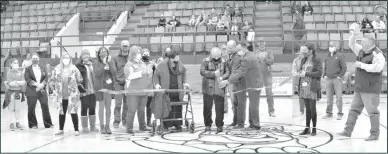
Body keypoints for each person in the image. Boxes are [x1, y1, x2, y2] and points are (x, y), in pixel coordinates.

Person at [338, 27, 386, 141]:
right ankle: (347, 131)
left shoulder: (378, 54)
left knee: (373, 112)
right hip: (359, 88)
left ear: (370, 43)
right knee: (353, 110)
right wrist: (354, 35)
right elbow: (351, 44)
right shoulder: (361, 50)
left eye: (363, 41)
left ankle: (374, 134)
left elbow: (378, 68)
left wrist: (361, 65)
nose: (361, 42)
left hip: (371, 89)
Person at [220, 43, 263, 130]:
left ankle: (256, 125)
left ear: (244, 48)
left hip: (254, 84)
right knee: (252, 105)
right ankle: (252, 124)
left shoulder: (247, 58)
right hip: (253, 83)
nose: (238, 52)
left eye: (239, 50)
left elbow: (240, 72)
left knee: (254, 106)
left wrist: (228, 81)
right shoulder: (250, 55)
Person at [153, 50, 189, 132]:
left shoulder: (179, 64)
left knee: (177, 108)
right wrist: (157, 84)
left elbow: (184, 72)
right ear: (170, 59)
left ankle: (178, 124)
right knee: (166, 109)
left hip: (178, 91)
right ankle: (165, 125)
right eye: (175, 60)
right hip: (166, 92)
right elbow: (155, 75)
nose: (177, 62)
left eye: (178, 59)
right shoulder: (162, 64)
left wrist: (185, 82)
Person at [50, 52, 83, 136]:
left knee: (73, 112)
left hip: (72, 95)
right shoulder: (57, 68)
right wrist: (53, 88)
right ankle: (61, 129)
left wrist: (77, 87)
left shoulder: (74, 68)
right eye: (64, 57)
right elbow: (52, 79)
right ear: (61, 59)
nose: (66, 59)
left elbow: (80, 79)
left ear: (70, 59)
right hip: (61, 95)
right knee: (62, 112)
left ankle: (76, 129)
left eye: (67, 57)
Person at [200, 47, 230, 133]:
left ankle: (219, 125)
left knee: (220, 108)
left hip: (219, 89)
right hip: (208, 89)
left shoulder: (224, 61)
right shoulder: (205, 61)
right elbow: (202, 71)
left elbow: (227, 72)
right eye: (214, 58)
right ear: (211, 55)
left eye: (218, 57)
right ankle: (208, 125)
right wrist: (213, 74)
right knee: (207, 108)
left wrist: (221, 77)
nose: (216, 59)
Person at [124, 46, 152, 134]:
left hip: (143, 91)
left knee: (141, 110)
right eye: (137, 53)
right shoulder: (129, 64)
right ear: (132, 54)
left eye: (140, 52)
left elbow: (147, 73)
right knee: (131, 110)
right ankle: (129, 128)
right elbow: (129, 76)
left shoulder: (142, 63)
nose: (139, 55)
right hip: (133, 92)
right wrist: (141, 73)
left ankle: (142, 126)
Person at [297, 43, 322, 136]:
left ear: (311, 51)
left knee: (312, 108)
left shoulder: (317, 59)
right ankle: (307, 128)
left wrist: (306, 73)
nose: (304, 52)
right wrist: (300, 72)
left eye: (306, 51)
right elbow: (301, 69)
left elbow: (319, 73)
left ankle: (314, 128)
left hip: (312, 86)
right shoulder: (304, 59)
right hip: (304, 85)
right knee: (307, 108)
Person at [24, 53, 54, 129]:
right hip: (31, 91)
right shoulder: (28, 69)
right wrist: (37, 85)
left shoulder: (43, 67)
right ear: (31, 59)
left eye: (36, 58)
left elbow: (46, 77)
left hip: (42, 90)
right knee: (31, 108)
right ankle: (33, 124)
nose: (35, 60)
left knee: (45, 106)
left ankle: (48, 124)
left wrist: (42, 84)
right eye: (33, 58)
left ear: (39, 59)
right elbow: (27, 79)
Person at [223, 41, 246, 128]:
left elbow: (234, 72)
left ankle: (240, 123)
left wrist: (226, 81)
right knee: (234, 103)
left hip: (238, 83)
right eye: (227, 48)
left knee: (239, 103)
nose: (228, 49)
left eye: (230, 48)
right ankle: (235, 121)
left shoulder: (237, 58)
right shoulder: (229, 56)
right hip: (232, 83)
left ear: (235, 48)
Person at [322, 41, 347, 120]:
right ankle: (329, 113)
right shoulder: (326, 56)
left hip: (337, 79)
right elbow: (325, 67)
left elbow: (344, 67)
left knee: (339, 97)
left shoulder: (339, 56)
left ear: (336, 47)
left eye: (332, 46)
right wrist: (324, 75)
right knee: (329, 98)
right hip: (328, 79)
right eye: (330, 46)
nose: (331, 47)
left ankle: (340, 113)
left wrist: (340, 76)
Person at [76, 49, 98, 133]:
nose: (86, 56)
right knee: (84, 107)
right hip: (84, 90)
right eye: (84, 55)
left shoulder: (93, 65)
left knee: (92, 107)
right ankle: (85, 126)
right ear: (81, 56)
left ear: (90, 56)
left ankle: (93, 126)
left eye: (87, 55)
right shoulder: (78, 66)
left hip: (93, 90)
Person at [94, 46, 114, 134]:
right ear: (99, 54)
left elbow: (114, 72)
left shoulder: (111, 61)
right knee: (101, 108)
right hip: (100, 88)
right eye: (101, 51)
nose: (103, 53)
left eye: (105, 51)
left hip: (109, 88)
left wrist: (109, 64)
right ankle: (102, 125)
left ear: (107, 53)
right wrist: (103, 64)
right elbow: (97, 73)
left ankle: (107, 126)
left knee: (108, 108)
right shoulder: (96, 62)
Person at [111, 40, 130, 128]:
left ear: (128, 47)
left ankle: (125, 121)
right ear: (121, 47)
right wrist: (115, 83)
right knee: (118, 104)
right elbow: (114, 72)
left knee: (127, 104)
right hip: (119, 84)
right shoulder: (115, 58)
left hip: (129, 84)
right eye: (123, 46)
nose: (125, 47)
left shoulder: (131, 58)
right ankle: (116, 121)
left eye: (126, 46)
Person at [255, 37, 275, 117]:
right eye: (260, 42)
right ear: (257, 43)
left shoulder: (269, 51)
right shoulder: (255, 52)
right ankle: (255, 111)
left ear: (265, 43)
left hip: (267, 75)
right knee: (256, 94)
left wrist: (265, 59)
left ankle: (271, 111)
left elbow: (272, 61)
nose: (261, 44)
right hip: (258, 76)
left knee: (269, 94)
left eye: (263, 42)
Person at [3, 58, 26, 131]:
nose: (16, 64)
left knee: (17, 109)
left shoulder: (21, 73)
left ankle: (17, 122)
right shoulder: (9, 73)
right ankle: (11, 123)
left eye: (17, 63)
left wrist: (15, 82)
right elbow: (10, 83)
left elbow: (23, 82)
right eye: (14, 63)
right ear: (11, 64)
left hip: (19, 93)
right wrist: (18, 83)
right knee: (11, 109)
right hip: (11, 93)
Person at [141, 48, 156, 127]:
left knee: (149, 106)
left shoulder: (152, 64)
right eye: (144, 55)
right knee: (141, 107)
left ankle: (148, 122)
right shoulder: (139, 64)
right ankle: (142, 122)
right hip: (141, 88)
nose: (146, 56)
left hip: (150, 88)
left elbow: (155, 74)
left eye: (147, 55)